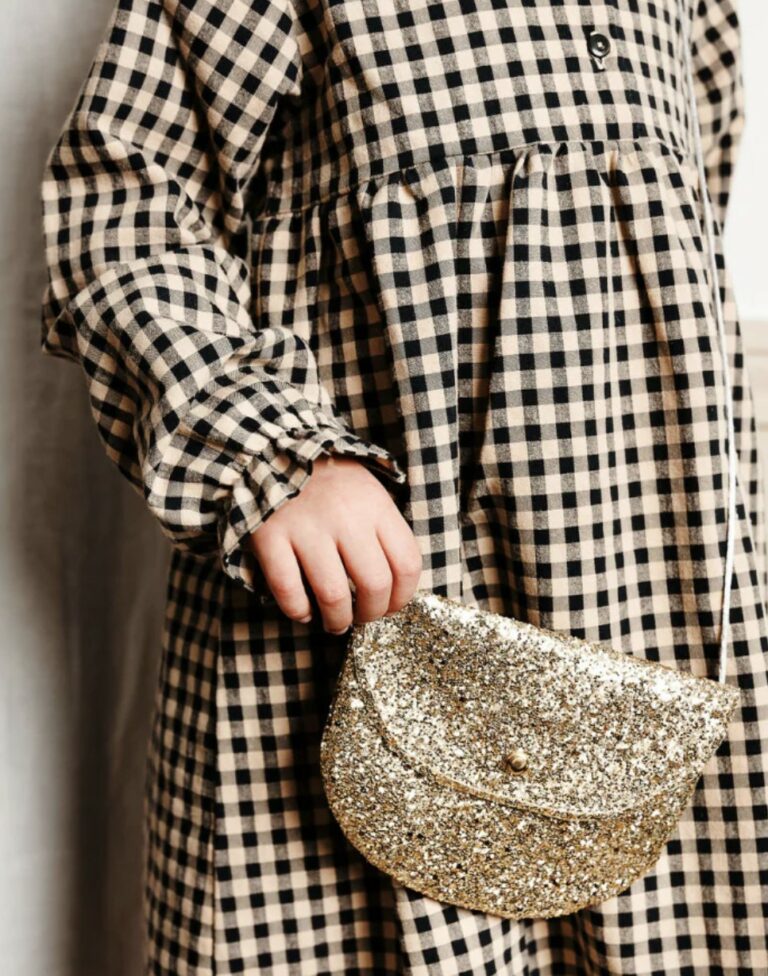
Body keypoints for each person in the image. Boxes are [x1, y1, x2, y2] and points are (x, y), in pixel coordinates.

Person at [39, 0, 768, 972]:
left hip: (650, 613)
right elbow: (124, 211)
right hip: (375, 616)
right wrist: (274, 454)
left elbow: (684, 229)